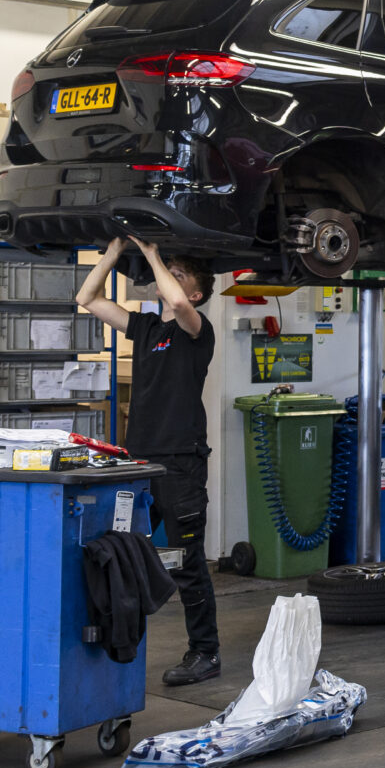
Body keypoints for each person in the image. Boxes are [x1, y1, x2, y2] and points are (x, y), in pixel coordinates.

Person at [77, 238, 221, 684]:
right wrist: (113, 254)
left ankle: (205, 653)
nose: (170, 281)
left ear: (196, 295)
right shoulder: (146, 329)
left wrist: (154, 254)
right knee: (119, 552)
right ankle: (119, 638)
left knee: (187, 560)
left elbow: (176, 300)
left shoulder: (197, 330)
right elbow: (86, 299)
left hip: (180, 464)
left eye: (181, 276)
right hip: (138, 464)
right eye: (168, 273)